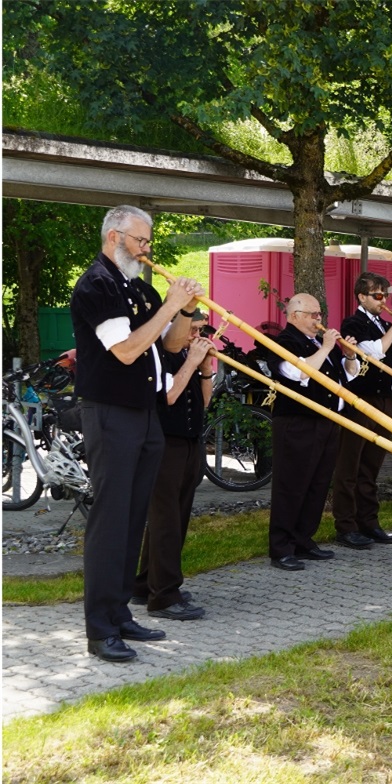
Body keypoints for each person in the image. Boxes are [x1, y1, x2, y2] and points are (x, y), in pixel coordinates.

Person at [70, 204, 205, 662]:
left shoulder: (138, 288)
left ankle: (121, 612)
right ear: (114, 237)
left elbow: (167, 343)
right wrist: (169, 304)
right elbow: (127, 350)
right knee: (110, 521)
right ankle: (99, 628)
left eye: (148, 241)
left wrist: (185, 310)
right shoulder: (97, 285)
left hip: (145, 413)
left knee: (132, 518)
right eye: (141, 240)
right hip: (111, 413)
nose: (147, 249)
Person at [132, 310, 215, 621]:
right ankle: (164, 596)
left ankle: (144, 584)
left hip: (188, 441)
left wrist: (205, 369)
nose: (196, 336)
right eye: (192, 329)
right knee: (165, 520)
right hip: (163, 444)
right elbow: (168, 396)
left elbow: (204, 403)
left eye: (201, 330)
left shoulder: (184, 354)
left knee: (174, 518)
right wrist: (193, 362)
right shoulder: (162, 354)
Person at [268, 294, 360, 571]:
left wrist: (349, 356)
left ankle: (302, 539)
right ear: (294, 315)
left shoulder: (319, 343)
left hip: (326, 421)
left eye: (319, 314)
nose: (318, 320)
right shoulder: (284, 341)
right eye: (312, 314)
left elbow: (348, 377)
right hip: (297, 423)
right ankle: (281, 546)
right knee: (291, 485)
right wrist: (328, 346)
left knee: (317, 483)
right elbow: (298, 373)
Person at [331, 272, 392, 550]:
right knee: (350, 464)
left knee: (371, 465)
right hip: (362, 399)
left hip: (386, 400)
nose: (384, 301)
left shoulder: (385, 324)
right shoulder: (353, 323)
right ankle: (346, 526)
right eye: (377, 296)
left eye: (386, 296)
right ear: (362, 297)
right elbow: (374, 352)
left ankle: (368, 521)